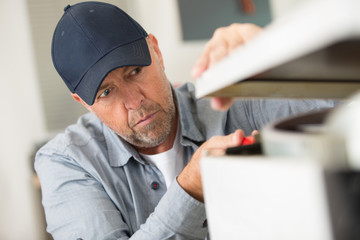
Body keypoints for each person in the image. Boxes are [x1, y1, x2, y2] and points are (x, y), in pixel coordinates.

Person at [35, 2, 336, 239]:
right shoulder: (66, 161)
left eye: (135, 71)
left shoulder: (231, 101)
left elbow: (342, 109)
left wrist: (288, 56)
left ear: (156, 51)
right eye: (106, 92)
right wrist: (190, 190)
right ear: (83, 103)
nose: (134, 101)